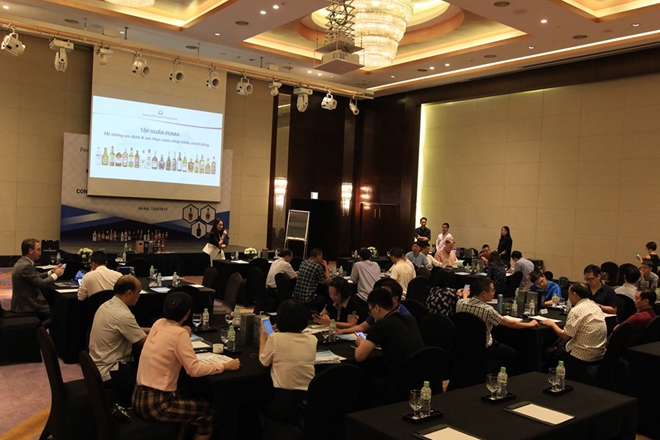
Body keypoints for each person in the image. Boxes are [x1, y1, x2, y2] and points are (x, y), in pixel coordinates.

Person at [133, 291, 241, 440]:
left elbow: (172, 333)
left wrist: (184, 330)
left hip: (138, 396)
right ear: (187, 313)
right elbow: (194, 370)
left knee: (190, 394)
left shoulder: (158, 323)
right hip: (157, 405)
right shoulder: (179, 334)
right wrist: (226, 366)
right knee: (209, 412)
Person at [354, 287, 424, 403]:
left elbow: (359, 356)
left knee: (361, 381)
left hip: (396, 383)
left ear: (377, 308)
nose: (371, 314)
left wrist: (361, 342)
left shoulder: (382, 324)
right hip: (418, 377)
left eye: (370, 310)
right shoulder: (410, 318)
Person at [456, 277, 538, 373]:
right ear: (484, 293)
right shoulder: (488, 310)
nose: (494, 292)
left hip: (464, 344)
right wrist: (530, 324)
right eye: (492, 290)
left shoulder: (460, 303)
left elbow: (465, 302)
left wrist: (465, 295)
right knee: (514, 353)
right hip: (485, 347)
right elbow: (510, 324)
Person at [89, 275, 148, 407]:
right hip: (111, 371)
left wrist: (155, 329)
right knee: (151, 377)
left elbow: (133, 329)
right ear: (129, 293)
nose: (139, 296)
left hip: (97, 364)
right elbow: (147, 343)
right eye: (138, 293)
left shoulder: (106, 305)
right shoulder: (123, 315)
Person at [259, 299, 317, 425]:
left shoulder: (275, 338)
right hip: (308, 400)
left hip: (284, 402)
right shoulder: (313, 339)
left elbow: (263, 362)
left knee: (256, 402)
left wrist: (263, 337)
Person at [540, 283, 607, 374]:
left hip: (581, 354)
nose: (568, 297)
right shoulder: (596, 307)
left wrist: (552, 324)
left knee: (551, 354)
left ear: (575, 294)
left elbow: (565, 336)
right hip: (599, 353)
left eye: (569, 294)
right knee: (560, 345)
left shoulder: (577, 310)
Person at [11, 238, 64, 325]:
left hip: (24, 301)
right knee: (58, 312)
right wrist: (56, 275)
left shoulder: (23, 262)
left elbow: (35, 276)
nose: (40, 252)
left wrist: (51, 272)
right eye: (38, 250)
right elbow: (41, 283)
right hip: (26, 305)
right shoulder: (26, 266)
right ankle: (40, 330)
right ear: (31, 251)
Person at [338, 279, 411, 335]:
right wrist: (342, 331)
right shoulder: (380, 310)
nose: (380, 296)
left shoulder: (404, 316)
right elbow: (362, 327)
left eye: (385, 294)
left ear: (395, 298)